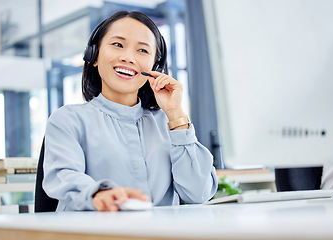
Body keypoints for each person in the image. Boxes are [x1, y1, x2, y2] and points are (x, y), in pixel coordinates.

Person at [43, 10, 218, 212]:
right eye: (117, 45)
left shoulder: (168, 124)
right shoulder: (68, 120)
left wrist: (175, 113)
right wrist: (100, 194)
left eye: (143, 50)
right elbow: (63, 175)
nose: (128, 57)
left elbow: (198, 193)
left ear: (155, 67)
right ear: (94, 55)